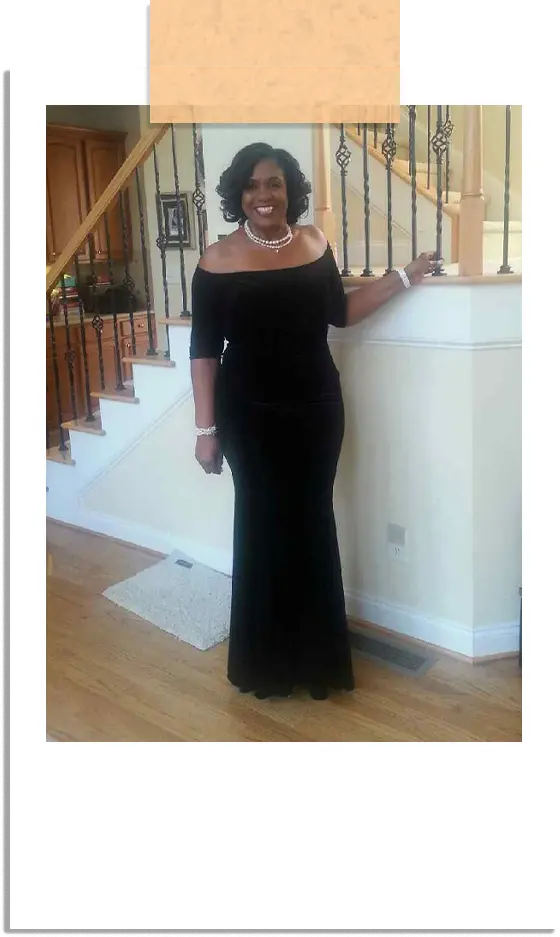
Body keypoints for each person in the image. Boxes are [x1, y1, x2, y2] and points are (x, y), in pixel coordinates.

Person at [189, 142, 436, 701]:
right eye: (252, 186)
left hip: (316, 408)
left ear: (289, 190)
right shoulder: (216, 260)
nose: (263, 196)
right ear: (238, 195)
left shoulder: (314, 242)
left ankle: (318, 663)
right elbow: (203, 352)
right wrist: (206, 431)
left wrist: (404, 276)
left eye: (273, 184)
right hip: (249, 415)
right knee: (260, 528)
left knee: (312, 524)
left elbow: (340, 313)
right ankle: (267, 667)